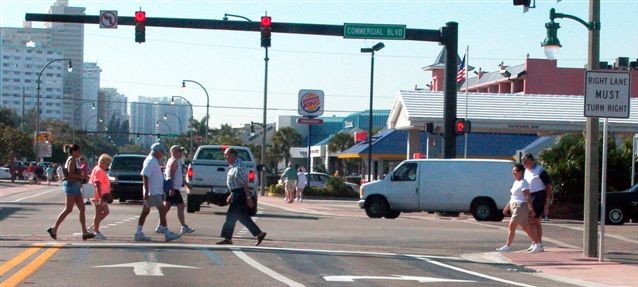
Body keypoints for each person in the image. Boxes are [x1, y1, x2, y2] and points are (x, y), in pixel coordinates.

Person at [217, 147, 267, 245]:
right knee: (242, 217)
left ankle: (227, 238)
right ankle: (259, 233)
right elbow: (236, 182)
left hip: (240, 194)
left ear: (232, 155)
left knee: (231, 216)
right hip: (236, 193)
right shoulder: (232, 166)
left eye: (226, 155)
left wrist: (248, 198)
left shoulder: (239, 166)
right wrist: (231, 194)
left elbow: (244, 183)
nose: (225, 157)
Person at [46, 144, 95, 241]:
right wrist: (82, 177)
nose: (79, 153)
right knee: (68, 209)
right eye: (77, 151)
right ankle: (54, 228)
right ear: (73, 152)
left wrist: (81, 178)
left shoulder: (74, 160)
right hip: (72, 186)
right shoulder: (72, 160)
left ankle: (84, 232)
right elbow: (70, 174)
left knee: (82, 208)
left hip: (75, 186)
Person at [134, 143, 181, 242]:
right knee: (162, 210)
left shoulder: (153, 160)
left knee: (146, 211)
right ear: (157, 151)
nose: (162, 155)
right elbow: (145, 175)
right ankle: (166, 232)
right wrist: (147, 191)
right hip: (153, 191)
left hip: (154, 191)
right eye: (162, 152)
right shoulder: (151, 161)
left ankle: (139, 232)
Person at [497, 164, 537, 252]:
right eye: (513, 171)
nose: (513, 173)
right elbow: (513, 196)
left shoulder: (524, 183)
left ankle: (507, 246)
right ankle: (537, 243)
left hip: (521, 206)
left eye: (515, 171)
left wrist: (531, 208)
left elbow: (527, 197)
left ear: (521, 172)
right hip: (514, 206)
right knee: (526, 227)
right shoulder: (516, 182)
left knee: (512, 225)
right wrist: (507, 207)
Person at [159, 145, 195, 235]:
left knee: (166, 208)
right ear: (174, 151)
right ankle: (183, 226)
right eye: (179, 151)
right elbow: (171, 175)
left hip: (173, 187)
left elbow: (179, 176)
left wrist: (186, 184)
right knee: (181, 206)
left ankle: (160, 226)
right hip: (173, 188)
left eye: (181, 151)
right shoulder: (174, 161)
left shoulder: (176, 161)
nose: (181, 153)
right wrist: (172, 188)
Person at [522, 153, 553, 253]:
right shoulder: (526, 171)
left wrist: (547, 201)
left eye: (526, 162)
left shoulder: (540, 171)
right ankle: (535, 242)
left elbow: (548, 186)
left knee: (533, 220)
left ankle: (538, 243)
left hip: (539, 196)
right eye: (523, 162)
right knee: (531, 221)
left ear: (532, 160)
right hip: (530, 196)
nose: (524, 164)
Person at [88, 154, 113, 240]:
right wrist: (101, 197)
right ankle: (95, 230)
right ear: (102, 162)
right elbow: (98, 184)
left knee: (101, 213)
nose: (108, 166)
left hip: (97, 195)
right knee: (102, 212)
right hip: (98, 195)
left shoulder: (97, 169)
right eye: (107, 164)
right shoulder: (99, 171)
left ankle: (94, 228)